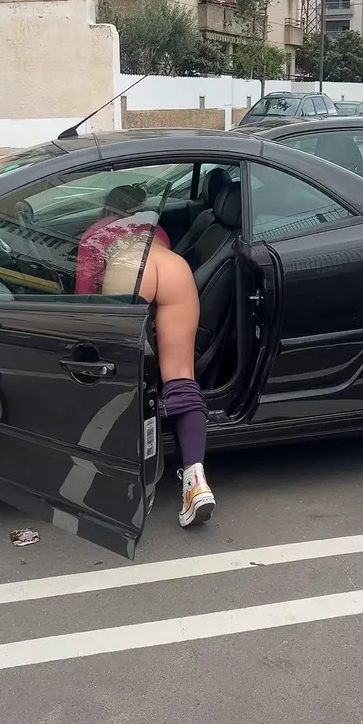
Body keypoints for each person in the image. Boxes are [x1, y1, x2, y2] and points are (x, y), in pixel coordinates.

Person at [102, 224, 216, 528]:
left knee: (117, 373)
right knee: (180, 374)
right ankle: (196, 481)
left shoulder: (96, 231)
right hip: (172, 269)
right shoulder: (158, 229)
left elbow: (85, 296)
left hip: (129, 269)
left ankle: (117, 483)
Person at [75, 184, 170, 296]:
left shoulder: (96, 236)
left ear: (107, 208)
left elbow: (84, 292)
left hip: (116, 305)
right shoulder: (156, 229)